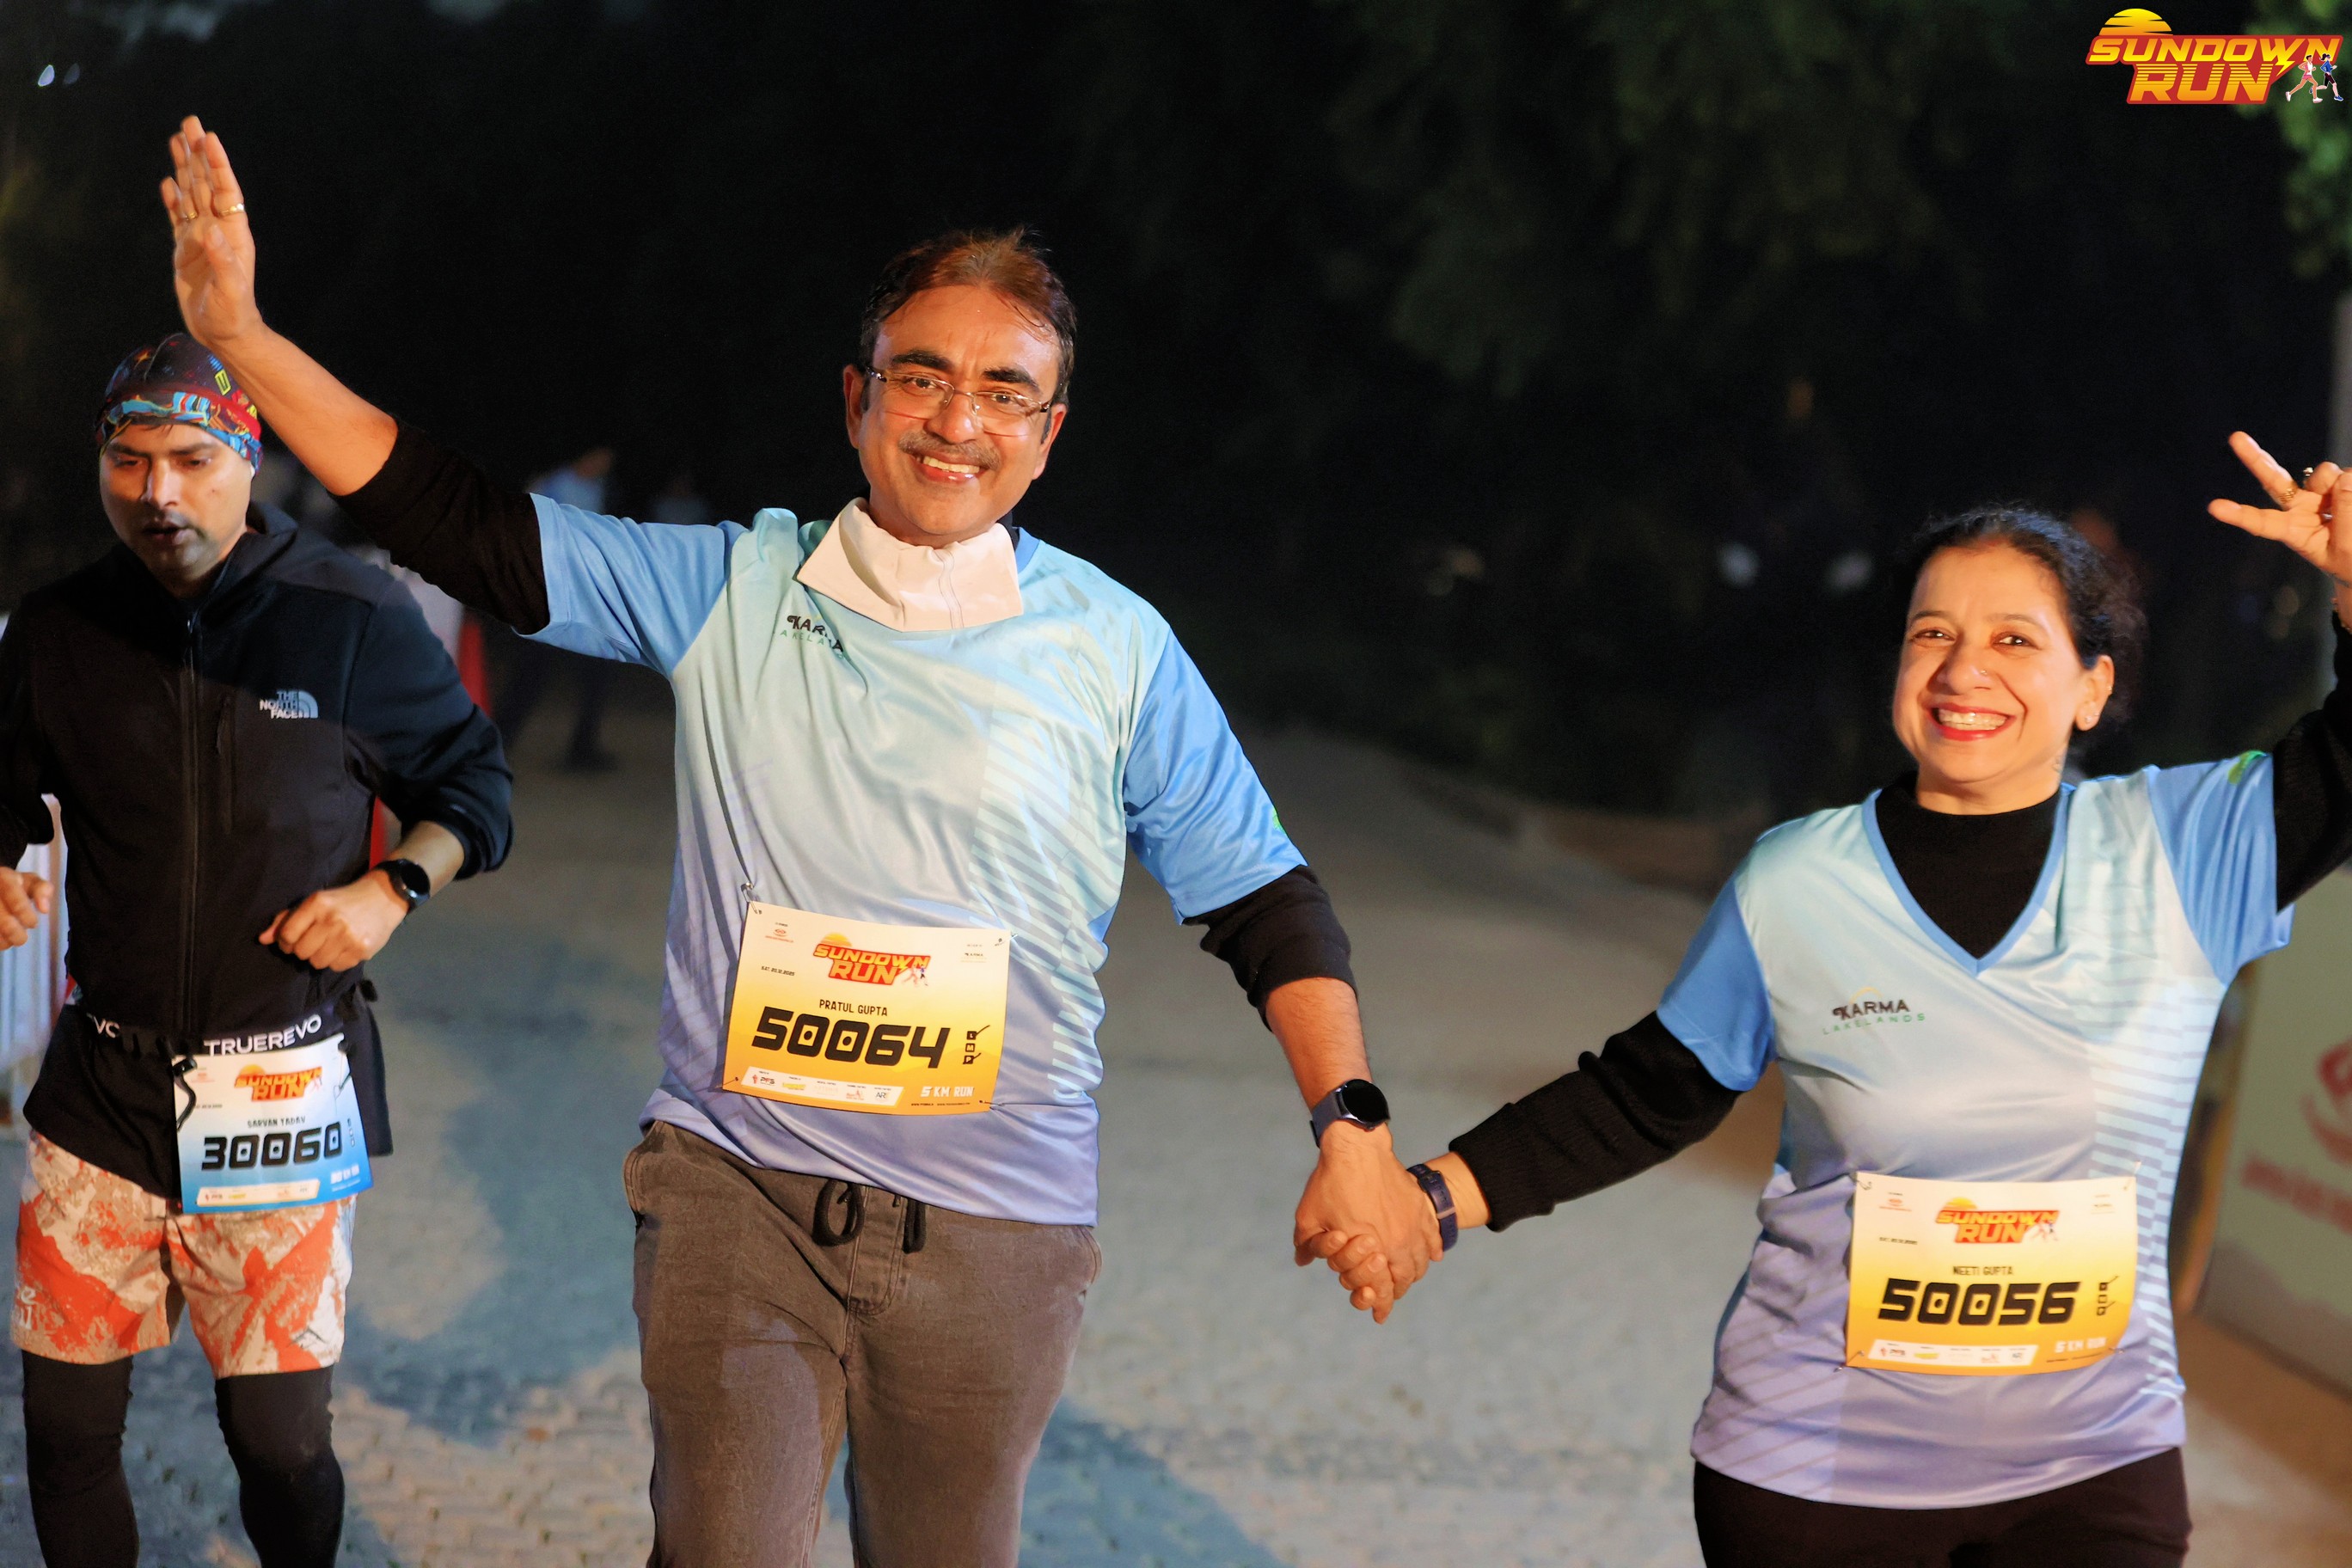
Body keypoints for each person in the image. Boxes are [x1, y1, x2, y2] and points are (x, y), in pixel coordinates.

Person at [156, 115, 1437, 1567]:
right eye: (922, 376)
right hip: (737, 1196)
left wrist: (1352, 1129)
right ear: (857, 398)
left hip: (998, 1229)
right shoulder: (734, 588)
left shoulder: (1116, 647)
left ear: (1049, 433)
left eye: (1005, 392)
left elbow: (1264, 898)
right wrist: (241, 335)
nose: (957, 419)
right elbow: (461, 522)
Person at [1310, 437, 2352, 1565]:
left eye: (2014, 639)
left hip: (2093, 1473)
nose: (1963, 671)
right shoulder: (1800, 882)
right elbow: (1649, 1091)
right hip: (1819, 1476)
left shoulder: (2185, 851)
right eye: (1932, 635)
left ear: (2094, 686)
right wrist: (1427, 1203)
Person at [0, 334, 513, 1568]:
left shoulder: (350, 618)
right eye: (129, 461)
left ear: (251, 459)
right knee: (64, 1436)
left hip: (276, 1093)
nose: (158, 492)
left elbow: (476, 787)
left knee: (277, 1445)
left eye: (192, 459)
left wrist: (395, 885)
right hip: (100, 1095)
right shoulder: (58, 633)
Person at [499, 446, 622, 770]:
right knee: (529, 677)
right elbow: (523, 533)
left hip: (581, 599)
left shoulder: (597, 489)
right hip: (547, 597)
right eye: (602, 456)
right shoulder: (552, 485)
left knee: (597, 671)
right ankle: (491, 748)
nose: (606, 463)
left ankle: (582, 750)